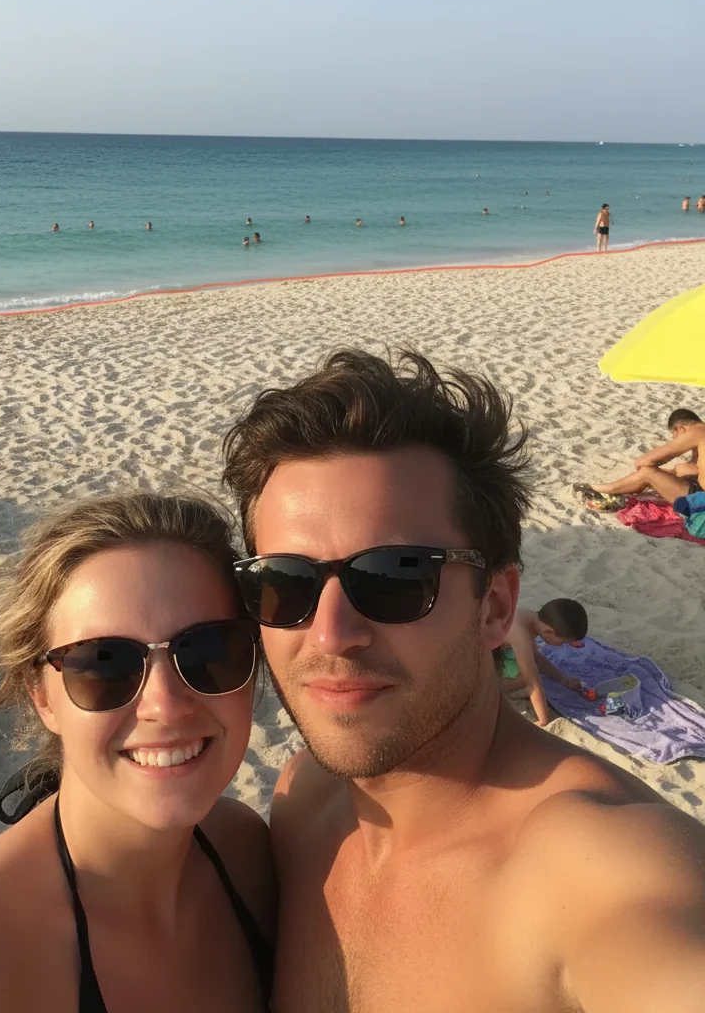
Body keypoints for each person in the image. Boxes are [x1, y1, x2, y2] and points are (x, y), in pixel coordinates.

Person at [221, 349, 705, 1012]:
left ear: (497, 608)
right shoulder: (304, 798)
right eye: (284, 583)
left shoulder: (596, 865)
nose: (331, 634)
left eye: (394, 577)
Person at [0, 493, 274, 1013]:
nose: (165, 706)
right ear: (41, 697)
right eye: (104, 664)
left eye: (211, 651)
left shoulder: (247, 853)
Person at [575, 407, 705, 504]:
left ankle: (608, 489)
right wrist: (667, 473)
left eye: (675, 437)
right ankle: (636, 485)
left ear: (680, 429)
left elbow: (644, 461)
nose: (675, 440)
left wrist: (652, 472)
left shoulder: (696, 432)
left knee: (647, 472)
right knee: (681, 467)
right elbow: (697, 468)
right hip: (699, 490)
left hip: (700, 500)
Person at [500, 599, 587, 727]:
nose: (561, 646)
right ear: (548, 632)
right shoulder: (520, 635)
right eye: (562, 642)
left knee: (531, 667)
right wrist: (543, 720)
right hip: (475, 661)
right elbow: (532, 682)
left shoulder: (532, 618)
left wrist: (563, 679)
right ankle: (502, 689)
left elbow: (537, 658)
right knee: (529, 678)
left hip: (496, 651)